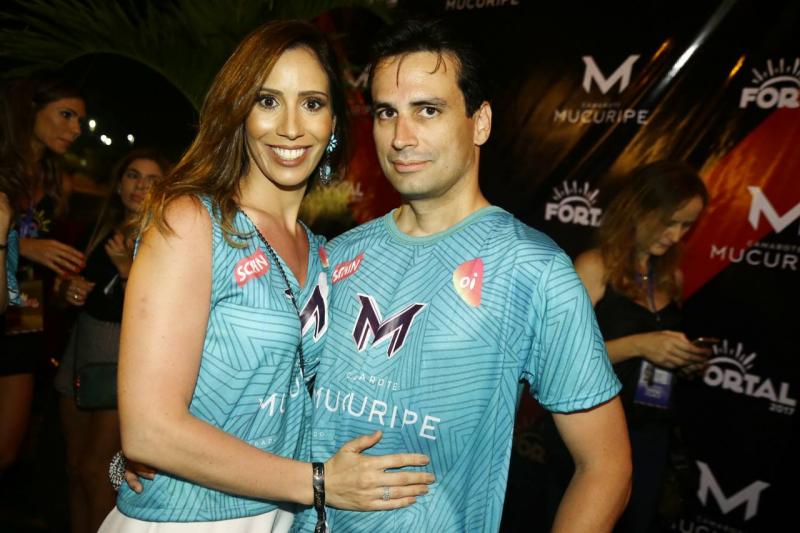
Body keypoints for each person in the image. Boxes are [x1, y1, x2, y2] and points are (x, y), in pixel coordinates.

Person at [291, 19, 632, 533]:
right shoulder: (338, 254)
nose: (401, 137)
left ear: (480, 123)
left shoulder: (534, 270)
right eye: (386, 113)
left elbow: (607, 468)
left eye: (427, 110)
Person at [99, 20, 433, 532]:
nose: (291, 127)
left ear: (334, 122)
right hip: (188, 521)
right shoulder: (192, 222)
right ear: (240, 113)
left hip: (280, 515)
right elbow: (149, 432)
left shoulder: (322, 254)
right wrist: (318, 482)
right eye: (268, 101)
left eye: (312, 103)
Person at [548, 161, 710, 532]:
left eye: (686, 226)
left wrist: (682, 360)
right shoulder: (594, 266)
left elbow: (657, 354)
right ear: (638, 208)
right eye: (669, 222)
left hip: (650, 433)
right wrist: (639, 345)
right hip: (591, 434)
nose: (675, 235)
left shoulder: (670, 276)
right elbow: (558, 357)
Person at [53, 149, 169, 533]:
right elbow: (62, 285)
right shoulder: (98, 229)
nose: (140, 186)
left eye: (152, 180)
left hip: (123, 356)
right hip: (81, 346)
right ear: (119, 184)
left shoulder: (163, 236)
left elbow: (162, 308)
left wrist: (126, 269)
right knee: (73, 467)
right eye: (133, 175)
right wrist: (67, 289)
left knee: (97, 470)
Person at [0, 76, 86, 473]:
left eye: (79, 120)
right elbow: (34, 246)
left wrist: (64, 284)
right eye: (66, 115)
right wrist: (27, 247)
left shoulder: (58, 181)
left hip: (26, 310)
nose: (75, 129)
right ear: (31, 110)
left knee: (7, 449)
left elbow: (54, 256)